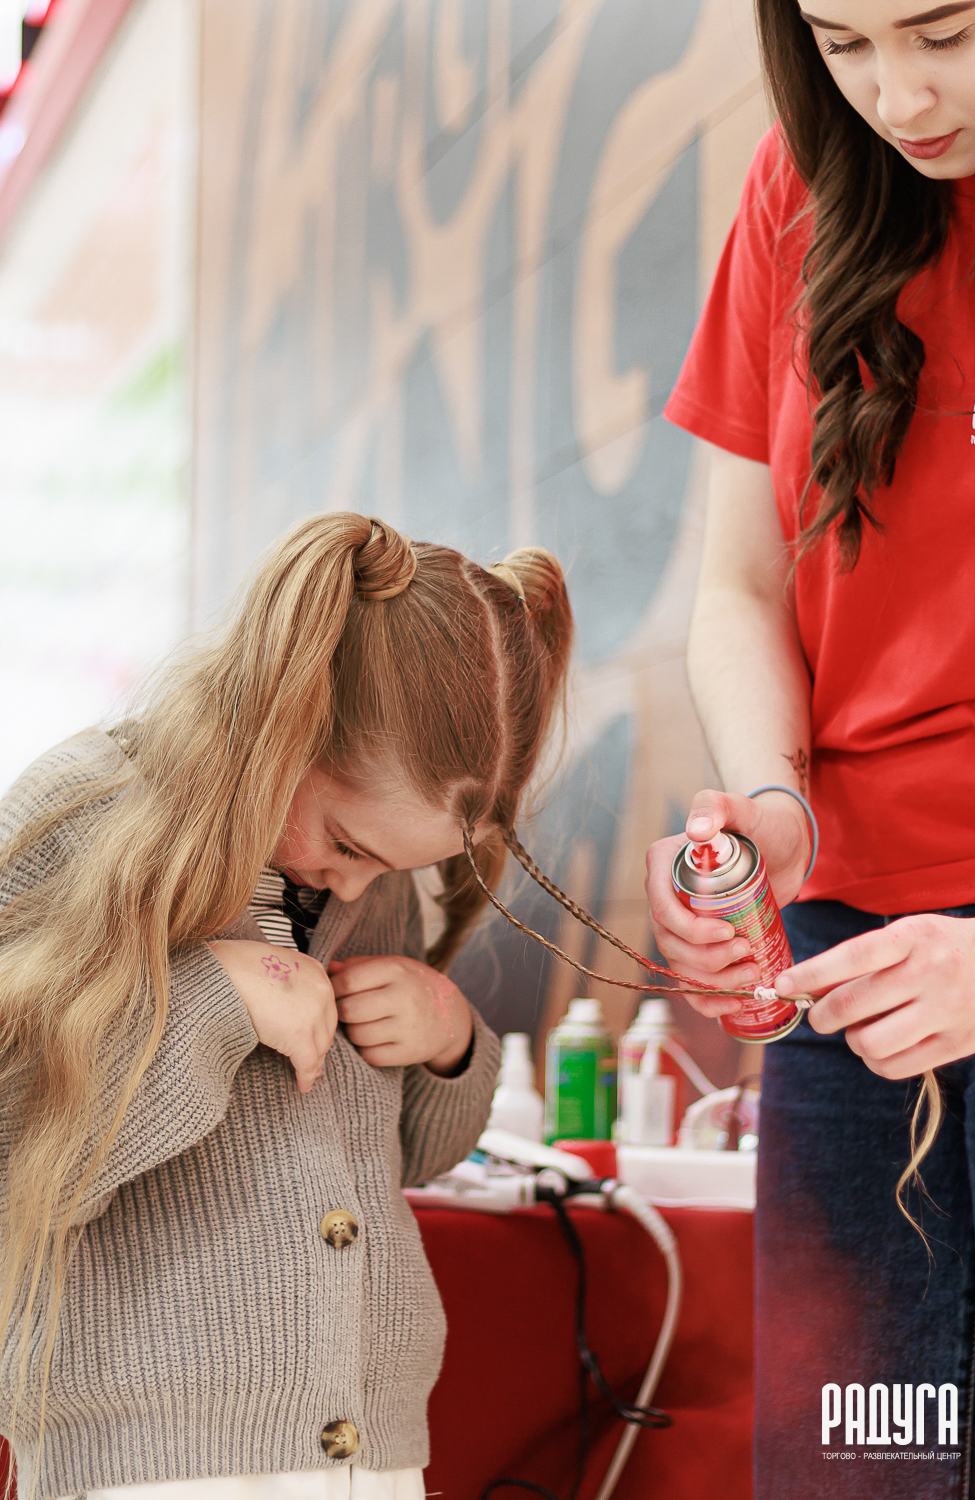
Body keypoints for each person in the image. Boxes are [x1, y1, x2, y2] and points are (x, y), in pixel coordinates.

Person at [0, 513, 573, 1500]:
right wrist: (214, 1003)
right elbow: (24, 1149)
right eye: (350, 845)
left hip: (369, 1451)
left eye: (391, 869)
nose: (358, 887)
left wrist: (446, 1045)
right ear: (287, 724)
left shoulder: (366, 890)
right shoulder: (86, 816)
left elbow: (403, 1154)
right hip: (155, 1457)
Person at [644, 1, 975, 1494]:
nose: (896, 96)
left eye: (944, 32)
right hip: (849, 966)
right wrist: (770, 811)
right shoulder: (802, 185)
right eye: (844, 44)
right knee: (853, 1460)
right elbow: (736, 585)